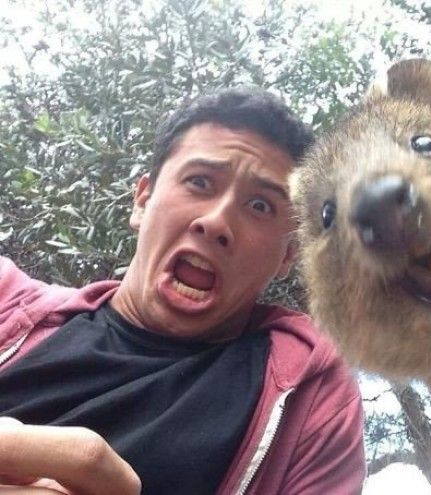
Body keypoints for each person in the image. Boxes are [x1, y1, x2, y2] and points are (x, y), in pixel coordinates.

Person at [0, 88, 366, 494]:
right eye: (199, 182)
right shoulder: (7, 297)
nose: (217, 222)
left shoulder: (314, 398)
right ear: (142, 200)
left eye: (260, 206)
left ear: (287, 256)